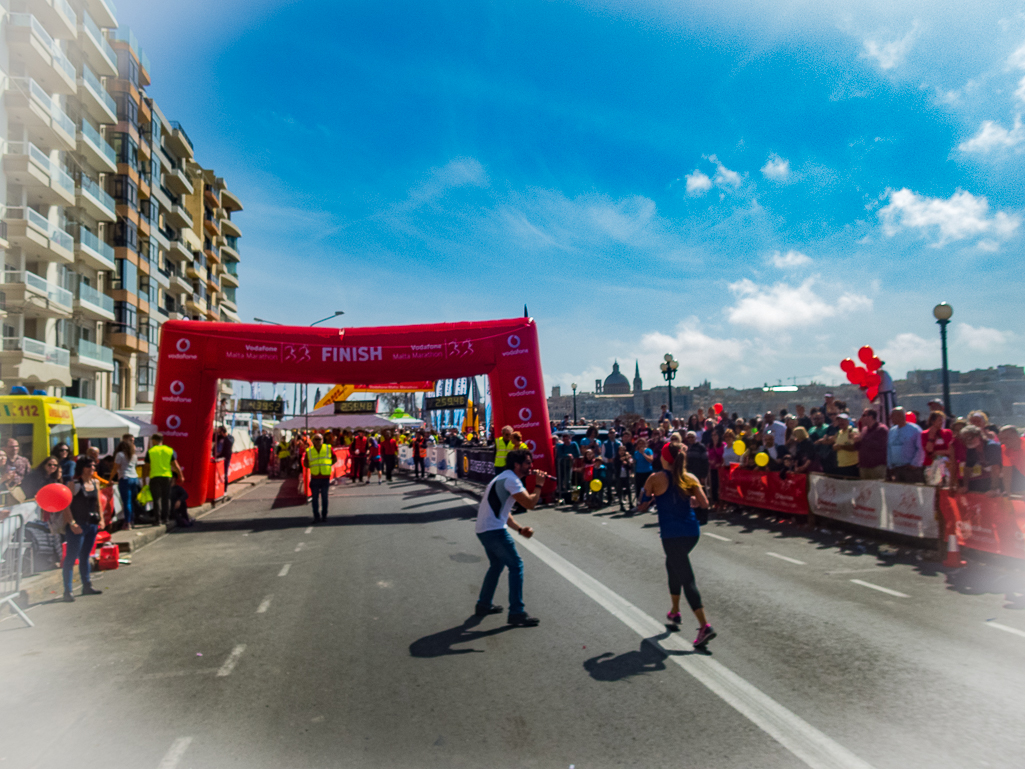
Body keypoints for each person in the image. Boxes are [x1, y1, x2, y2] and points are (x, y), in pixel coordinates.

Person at [637, 442, 715, 648]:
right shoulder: (689, 477)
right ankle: (674, 611)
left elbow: (641, 506)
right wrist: (692, 500)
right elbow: (705, 503)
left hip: (671, 534)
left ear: (664, 458)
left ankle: (705, 626)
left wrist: (651, 498)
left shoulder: (655, 479)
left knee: (686, 577)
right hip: (691, 531)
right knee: (672, 565)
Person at [474, 449, 548, 627]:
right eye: (528, 463)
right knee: (516, 566)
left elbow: (503, 513)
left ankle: (483, 604)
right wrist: (539, 485)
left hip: (484, 529)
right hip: (494, 531)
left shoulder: (503, 477)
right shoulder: (512, 481)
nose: (531, 466)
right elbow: (530, 503)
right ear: (517, 464)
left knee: (497, 565)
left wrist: (520, 529)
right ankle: (516, 612)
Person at [60, 457, 104, 602]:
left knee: (86, 555)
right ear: (82, 468)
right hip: (77, 525)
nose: (92, 468)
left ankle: (87, 585)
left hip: (91, 524)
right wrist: (72, 523)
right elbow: (65, 505)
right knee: (71, 558)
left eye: (94, 466)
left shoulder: (95, 483)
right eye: (89, 466)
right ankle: (68, 591)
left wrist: (101, 520)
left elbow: (98, 503)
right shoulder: (74, 484)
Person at [141, 434, 184, 525]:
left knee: (156, 498)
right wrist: (181, 475)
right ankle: (166, 518)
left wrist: (144, 479)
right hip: (167, 477)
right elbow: (175, 465)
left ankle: (158, 519)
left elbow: (146, 467)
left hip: (155, 477)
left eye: (152, 441)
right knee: (166, 498)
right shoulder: (169, 450)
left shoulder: (151, 451)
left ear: (155, 441)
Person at [958, 425, 1002, 493]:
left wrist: (994, 489)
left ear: (978, 436)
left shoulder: (992, 447)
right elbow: (967, 469)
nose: (967, 441)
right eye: (964, 439)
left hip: (1005, 478)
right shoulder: (972, 449)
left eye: (969, 438)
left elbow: (995, 469)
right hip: (993, 478)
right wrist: (965, 486)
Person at [887, 407, 924, 483]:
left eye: (892, 416)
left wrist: (914, 464)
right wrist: (890, 465)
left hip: (910, 469)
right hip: (896, 469)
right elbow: (889, 448)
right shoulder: (892, 431)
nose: (891, 419)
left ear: (900, 416)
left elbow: (920, 448)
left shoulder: (915, 429)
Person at [112, 435, 141, 530]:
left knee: (126, 501)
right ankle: (131, 520)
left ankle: (127, 522)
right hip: (134, 478)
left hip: (125, 478)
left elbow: (115, 468)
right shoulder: (134, 456)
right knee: (131, 501)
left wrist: (110, 479)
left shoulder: (120, 455)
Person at [304, 432, 333, 521]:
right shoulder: (309, 451)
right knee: (315, 498)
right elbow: (306, 463)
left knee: (324, 497)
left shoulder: (328, 448)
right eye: (315, 439)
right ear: (313, 441)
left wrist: (327, 466)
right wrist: (314, 467)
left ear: (322, 440)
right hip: (315, 477)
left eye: (319, 439)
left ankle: (324, 515)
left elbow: (334, 459)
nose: (317, 441)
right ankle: (316, 516)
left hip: (325, 477)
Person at [855, 409, 888, 480]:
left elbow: (881, 446)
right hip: (864, 466)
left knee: (876, 488)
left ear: (871, 417)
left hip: (877, 466)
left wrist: (863, 440)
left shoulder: (881, 429)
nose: (861, 418)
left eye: (864, 415)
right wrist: (856, 441)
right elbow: (859, 447)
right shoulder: (864, 430)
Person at [922, 412, 954, 486]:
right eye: (939, 420)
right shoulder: (924, 434)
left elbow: (951, 451)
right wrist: (931, 436)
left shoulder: (948, 433)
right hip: (931, 466)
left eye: (942, 420)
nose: (942, 422)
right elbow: (928, 451)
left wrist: (937, 452)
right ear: (933, 421)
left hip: (946, 465)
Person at [998, 426, 1025, 496]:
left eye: (1006, 438)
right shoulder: (1004, 449)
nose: (1003, 441)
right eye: (1001, 439)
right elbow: (1007, 471)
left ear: (1016, 437)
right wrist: (1007, 491)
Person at [832, 414, 859, 478]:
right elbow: (835, 445)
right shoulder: (838, 433)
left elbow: (854, 447)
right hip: (841, 465)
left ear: (847, 421)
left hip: (852, 465)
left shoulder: (853, 431)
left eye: (843, 420)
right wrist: (835, 447)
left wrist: (841, 447)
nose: (841, 422)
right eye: (839, 421)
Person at [215, 426, 234, 491]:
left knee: (224, 473)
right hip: (218, 458)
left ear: (223, 431)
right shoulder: (219, 437)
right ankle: (218, 488)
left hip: (225, 458)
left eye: (219, 431)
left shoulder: (230, 438)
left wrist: (225, 435)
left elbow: (229, 444)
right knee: (217, 474)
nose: (218, 433)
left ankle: (225, 488)